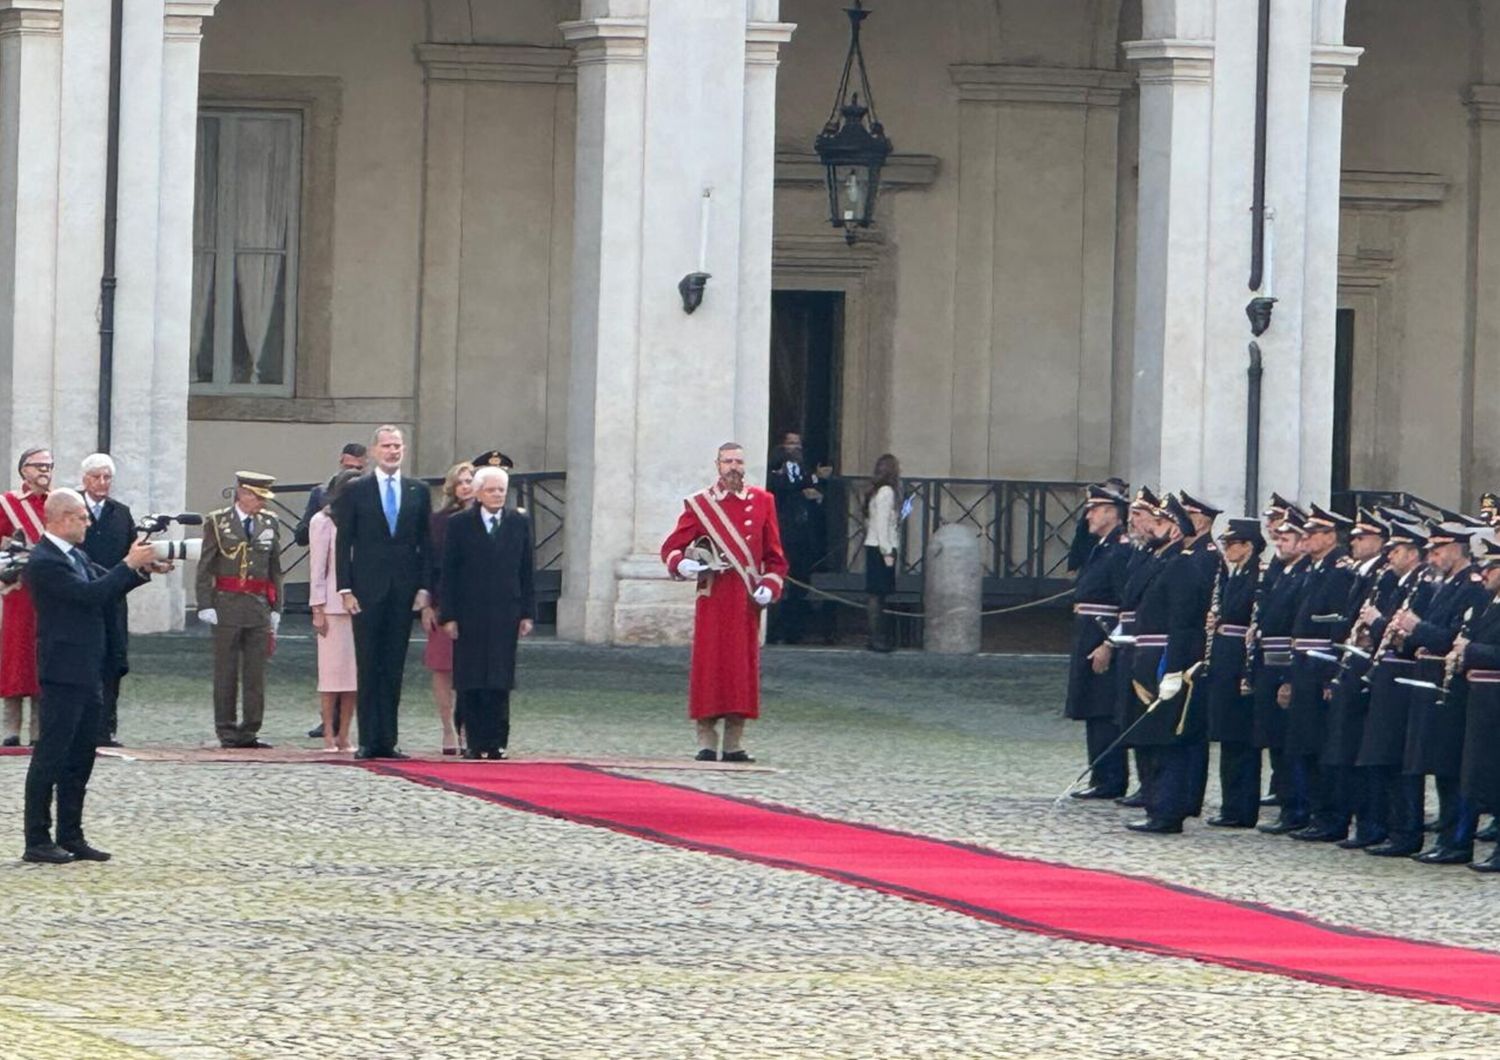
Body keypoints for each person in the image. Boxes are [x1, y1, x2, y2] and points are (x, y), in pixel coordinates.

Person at [21, 489, 162, 863]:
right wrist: (127, 565)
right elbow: (90, 595)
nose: (87, 523)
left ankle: (71, 834)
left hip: (89, 667)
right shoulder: (45, 561)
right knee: (51, 755)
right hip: (63, 669)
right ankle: (36, 838)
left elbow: (109, 584)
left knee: (81, 757)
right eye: (82, 518)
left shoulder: (75, 555)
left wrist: (143, 567)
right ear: (63, 518)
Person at [661, 441, 788, 762]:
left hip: (745, 598)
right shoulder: (701, 504)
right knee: (710, 668)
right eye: (728, 461)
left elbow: (775, 558)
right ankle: (706, 739)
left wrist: (770, 586)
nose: (734, 467)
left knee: (740, 671)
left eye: (739, 461)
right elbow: (672, 546)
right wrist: (682, 564)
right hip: (714, 596)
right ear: (717, 465)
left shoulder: (763, 502)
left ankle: (734, 741)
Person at [1389, 516, 1488, 864]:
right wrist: (1409, 636)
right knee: (1441, 768)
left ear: (1456, 548)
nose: (1432, 557)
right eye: (1430, 550)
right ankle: (1447, 837)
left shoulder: (1472, 587)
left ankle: (1458, 839)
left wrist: (1419, 628)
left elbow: (1454, 639)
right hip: (1432, 681)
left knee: (1455, 769)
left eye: (1438, 549)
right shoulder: (1444, 585)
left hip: (1456, 689)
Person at [333, 424, 432, 761]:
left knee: (393, 666)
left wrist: (423, 587)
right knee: (368, 663)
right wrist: (344, 588)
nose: (393, 451)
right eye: (387, 446)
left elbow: (426, 544)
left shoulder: (418, 491)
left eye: (398, 446)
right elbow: (343, 541)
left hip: (403, 589)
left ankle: (388, 739)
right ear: (375, 451)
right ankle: (368, 740)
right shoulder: (356, 490)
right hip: (366, 588)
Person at [1124, 494, 1210, 835]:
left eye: (1158, 523)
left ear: (1174, 530)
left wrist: (1174, 669)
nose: (1149, 528)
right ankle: (1153, 804)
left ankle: (1167, 810)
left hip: (1164, 658)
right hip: (1144, 656)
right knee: (1146, 738)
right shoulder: (1156, 561)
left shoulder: (1182, 566)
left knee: (1165, 741)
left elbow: (1182, 623)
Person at [439, 466, 536, 759]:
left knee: (499, 678)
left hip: (506, 611)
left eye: (501, 491)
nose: (497, 495)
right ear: (478, 493)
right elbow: (449, 572)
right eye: (491, 490)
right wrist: (449, 615)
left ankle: (496, 742)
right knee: (470, 678)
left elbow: (526, 570)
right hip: (469, 612)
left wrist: (527, 613)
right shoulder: (459, 524)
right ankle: (472, 740)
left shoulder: (518, 522)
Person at [1358, 519, 1436, 857]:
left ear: (1414, 554)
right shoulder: (1396, 583)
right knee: (1381, 757)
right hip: (1386, 678)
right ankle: (1388, 827)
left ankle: (1405, 831)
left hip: (1402, 681)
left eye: (1398, 550)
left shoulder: (1421, 585)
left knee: (1398, 761)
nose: (1390, 556)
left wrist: (1376, 621)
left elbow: (1405, 635)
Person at [197, 472, 284, 749]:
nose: (261, 503)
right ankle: (226, 729)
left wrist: (276, 606)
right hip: (227, 604)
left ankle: (250, 730)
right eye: (257, 497)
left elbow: (275, 568)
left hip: (257, 604)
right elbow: (206, 565)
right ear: (243, 494)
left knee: (255, 673)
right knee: (226, 670)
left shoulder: (269, 522)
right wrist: (206, 603)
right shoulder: (217, 521)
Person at [1063, 484, 1131, 799]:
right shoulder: (1100, 546)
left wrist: (1110, 643)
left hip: (1103, 633)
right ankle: (1099, 775)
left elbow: (1126, 604)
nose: (1088, 515)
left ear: (1111, 513)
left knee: (1104, 708)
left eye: (1094, 509)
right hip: (1087, 630)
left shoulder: (1120, 549)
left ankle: (1111, 778)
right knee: (1091, 706)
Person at [1252, 508, 1311, 833]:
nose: (1278, 541)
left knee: (1291, 745)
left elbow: (1294, 629)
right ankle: (1288, 804)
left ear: (1302, 543)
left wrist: (1288, 678)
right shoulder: (1285, 571)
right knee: (1277, 741)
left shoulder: (1302, 575)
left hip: (1287, 664)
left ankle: (1296, 809)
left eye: (1286, 538)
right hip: (1269, 663)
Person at [1203, 518, 1264, 827]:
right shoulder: (1230, 575)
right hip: (1224, 657)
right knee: (1227, 737)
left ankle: (1242, 807)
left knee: (1240, 739)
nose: (1227, 550)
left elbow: (1249, 622)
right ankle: (1231, 804)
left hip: (1239, 658)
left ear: (1248, 546)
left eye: (1232, 544)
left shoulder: (1255, 577)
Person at [79, 453, 135, 747]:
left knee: (114, 661)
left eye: (107, 477)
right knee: (84, 661)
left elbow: (132, 554)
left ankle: (106, 728)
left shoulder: (121, 513)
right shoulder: (72, 509)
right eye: (96, 477)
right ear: (84, 479)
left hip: (113, 600)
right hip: (80, 599)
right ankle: (82, 725)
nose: (102, 483)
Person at [0, 446, 52, 747]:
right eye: (38, 466)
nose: (44, 471)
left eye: (48, 466)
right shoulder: (8, 504)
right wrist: (12, 545)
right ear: (24, 470)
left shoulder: (59, 502)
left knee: (43, 655)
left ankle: (38, 726)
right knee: (17, 657)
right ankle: (11, 725)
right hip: (19, 589)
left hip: (51, 591)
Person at [423, 462, 475, 754]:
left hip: (479, 605)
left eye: (470, 480)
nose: (466, 486)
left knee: (473, 670)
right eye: (461, 481)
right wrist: (428, 603)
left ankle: (470, 728)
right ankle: (448, 730)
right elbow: (429, 564)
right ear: (452, 487)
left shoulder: (489, 518)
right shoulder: (439, 521)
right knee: (443, 667)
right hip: (444, 601)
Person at [1456, 531, 1500, 871]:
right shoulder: (1489, 605)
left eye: (1492, 567)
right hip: (1483, 700)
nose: (1483, 574)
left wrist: (1469, 650)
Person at [308, 470, 362, 752]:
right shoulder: (322, 521)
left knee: (353, 676)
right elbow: (318, 567)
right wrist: (317, 607)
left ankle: (345, 733)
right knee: (331, 675)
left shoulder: (366, 518)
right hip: (331, 604)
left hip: (361, 605)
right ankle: (328, 731)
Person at [767, 431, 830, 645]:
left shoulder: (804, 469)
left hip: (803, 533)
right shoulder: (776, 468)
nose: (795, 448)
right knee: (780, 581)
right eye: (791, 443)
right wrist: (806, 487)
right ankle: (774, 630)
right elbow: (780, 491)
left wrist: (817, 491)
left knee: (800, 583)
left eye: (798, 444)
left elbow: (810, 488)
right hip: (785, 531)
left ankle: (794, 631)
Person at [293, 443, 367, 548]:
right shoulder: (321, 493)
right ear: (341, 463)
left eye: (358, 468)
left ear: (366, 466)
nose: (352, 473)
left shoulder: (373, 493)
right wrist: (320, 517)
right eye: (349, 467)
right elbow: (301, 538)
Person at [862, 453, 901, 653]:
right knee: (879, 595)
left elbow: (870, 521)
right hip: (881, 546)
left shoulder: (875, 492)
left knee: (875, 595)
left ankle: (874, 636)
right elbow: (883, 524)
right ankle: (877, 637)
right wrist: (887, 552)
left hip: (872, 544)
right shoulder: (887, 492)